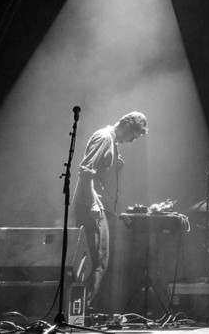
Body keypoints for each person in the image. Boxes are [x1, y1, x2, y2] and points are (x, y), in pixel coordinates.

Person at [72, 111, 148, 312]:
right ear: (127, 126)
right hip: (93, 208)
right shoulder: (104, 137)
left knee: (96, 262)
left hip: (100, 207)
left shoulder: (112, 143)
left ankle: (81, 312)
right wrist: (92, 203)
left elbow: (98, 171)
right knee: (97, 262)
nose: (132, 141)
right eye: (134, 135)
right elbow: (85, 170)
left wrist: (115, 166)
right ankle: (81, 312)